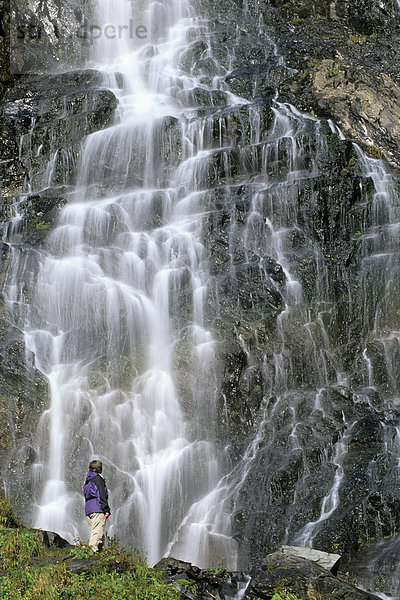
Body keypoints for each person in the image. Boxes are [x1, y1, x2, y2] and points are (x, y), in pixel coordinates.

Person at [83, 459, 111, 552]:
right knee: (97, 532)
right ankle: (92, 553)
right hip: (97, 509)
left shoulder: (87, 481)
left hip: (88, 509)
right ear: (100, 469)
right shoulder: (98, 479)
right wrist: (106, 509)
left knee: (93, 531)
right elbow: (101, 494)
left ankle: (95, 551)